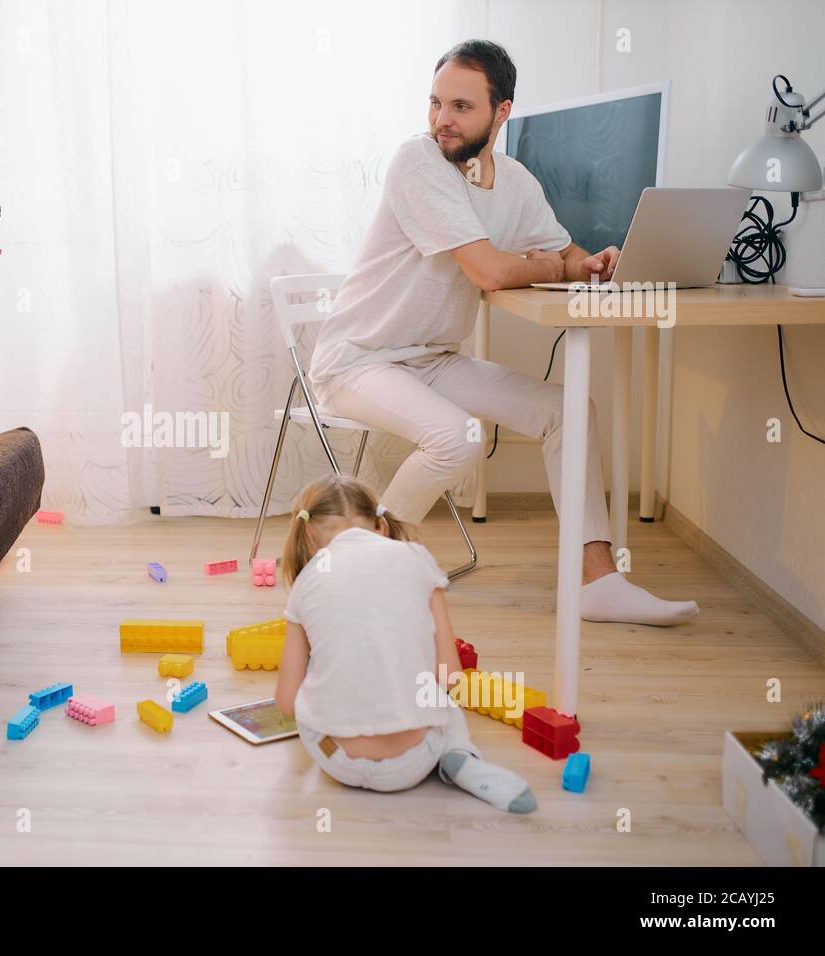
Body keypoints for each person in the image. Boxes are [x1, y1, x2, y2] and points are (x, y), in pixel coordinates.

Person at [308, 39, 697, 627]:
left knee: (568, 408)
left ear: (502, 111)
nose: (442, 119)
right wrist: (548, 266)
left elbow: (565, 252)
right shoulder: (417, 161)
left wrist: (597, 263)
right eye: (436, 103)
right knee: (458, 439)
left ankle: (597, 582)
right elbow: (489, 271)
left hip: (432, 358)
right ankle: (371, 565)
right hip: (359, 360)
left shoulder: (514, 181)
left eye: (461, 106)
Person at [274, 474, 536, 813]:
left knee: (318, 672)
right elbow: (450, 676)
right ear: (381, 526)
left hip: (335, 758)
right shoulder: (418, 558)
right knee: (443, 700)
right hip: (414, 761)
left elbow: (286, 703)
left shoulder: (306, 582)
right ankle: (460, 757)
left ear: (308, 532)